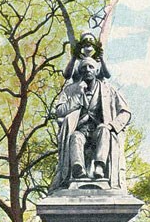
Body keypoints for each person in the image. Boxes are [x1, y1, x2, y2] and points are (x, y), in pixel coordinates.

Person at [50, 57, 131, 191]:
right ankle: (78, 169)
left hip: (99, 130)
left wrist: (113, 126)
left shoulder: (109, 90)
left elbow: (125, 112)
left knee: (104, 130)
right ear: (80, 71)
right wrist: (78, 96)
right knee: (75, 137)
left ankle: (99, 167)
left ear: (96, 70)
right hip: (81, 130)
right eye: (84, 67)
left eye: (91, 67)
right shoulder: (71, 90)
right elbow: (59, 111)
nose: (87, 70)